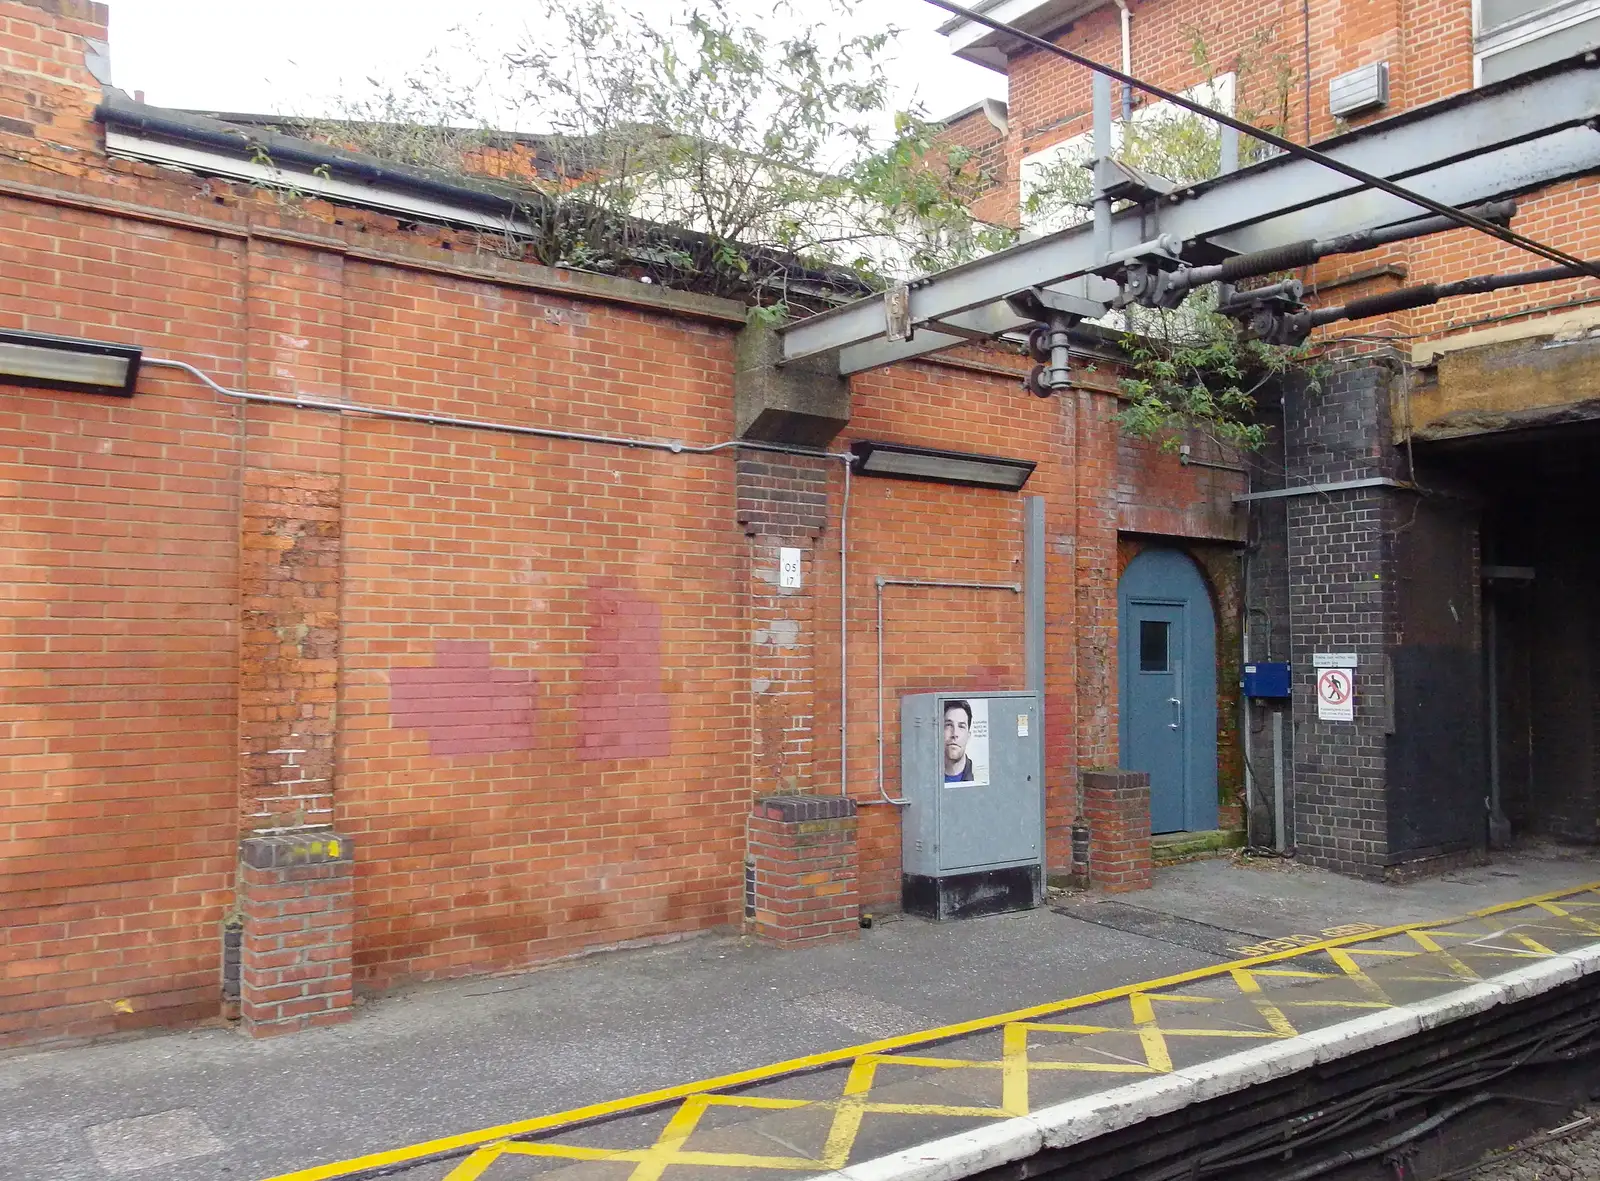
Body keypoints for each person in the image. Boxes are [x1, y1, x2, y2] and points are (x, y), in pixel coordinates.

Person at [943, 700, 975, 783]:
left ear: (968, 736)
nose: (954, 734)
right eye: (949, 725)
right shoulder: (926, 776)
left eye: (961, 726)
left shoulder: (980, 778)